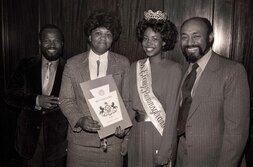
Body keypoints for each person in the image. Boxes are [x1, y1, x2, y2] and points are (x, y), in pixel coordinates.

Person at [59, 10, 130, 167]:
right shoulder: (72, 64)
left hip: (112, 145)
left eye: (108, 34)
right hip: (80, 145)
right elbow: (65, 100)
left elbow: (128, 101)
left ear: (113, 39)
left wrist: (124, 129)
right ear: (89, 37)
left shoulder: (123, 63)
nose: (103, 37)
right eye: (98, 33)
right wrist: (79, 120)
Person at [176, 17, 250, 167]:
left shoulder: (232, 71)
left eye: (196, 36)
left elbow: (236, 133)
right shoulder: (183, 71)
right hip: (182, 159)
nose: (189, 42)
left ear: (210, 37)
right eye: (184, 36)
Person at [5, 24, 68, 167]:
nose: (52, 45)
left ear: (62, 43)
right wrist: (36, 100)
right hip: (28, 139)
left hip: (58, 141)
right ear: (40, 43)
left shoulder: (70, 68)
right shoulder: (25, 65)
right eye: (47, 41)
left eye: (56, 41)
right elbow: (9, 95)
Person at [126, 10, 182, 167]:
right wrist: (125, 137)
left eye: (154, 39)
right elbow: (131, 105)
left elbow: (172, 114)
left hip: (159, 134)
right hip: (137, 133)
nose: (148, 43)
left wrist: (166, 149)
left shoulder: (174, 69)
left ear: (164, 42)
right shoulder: (135, 67)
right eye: (145, 38)